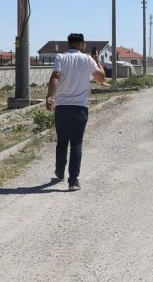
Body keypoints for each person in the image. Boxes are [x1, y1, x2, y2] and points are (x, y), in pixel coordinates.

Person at [44, 33, 106, 190]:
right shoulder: (87, 59)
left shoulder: (61, 57)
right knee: (76, 143)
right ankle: (73, 181)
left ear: (69, 44)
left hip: (62, 107)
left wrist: (50, 98)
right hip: (80, 108)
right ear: (82, 44)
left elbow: (55, 77)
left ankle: (59, 170)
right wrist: (97, 60)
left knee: (62, 141)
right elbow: (101, 77)